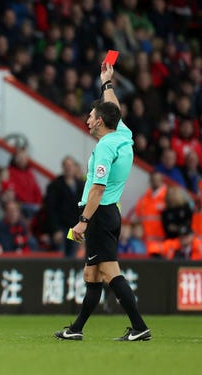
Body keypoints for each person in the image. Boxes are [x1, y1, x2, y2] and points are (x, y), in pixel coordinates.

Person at [54, 63, 151, 342]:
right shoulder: (123, 136)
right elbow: (114, 109)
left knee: (109, 272)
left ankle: (140, 326)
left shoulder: (106, 148)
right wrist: (107, 83)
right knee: (92, 273)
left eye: (91, 115)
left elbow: (97, 187)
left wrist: (83, 221)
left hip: (99, 214)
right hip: (109, 213)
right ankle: (76, 329)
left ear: (99, 121)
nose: (87, 118)